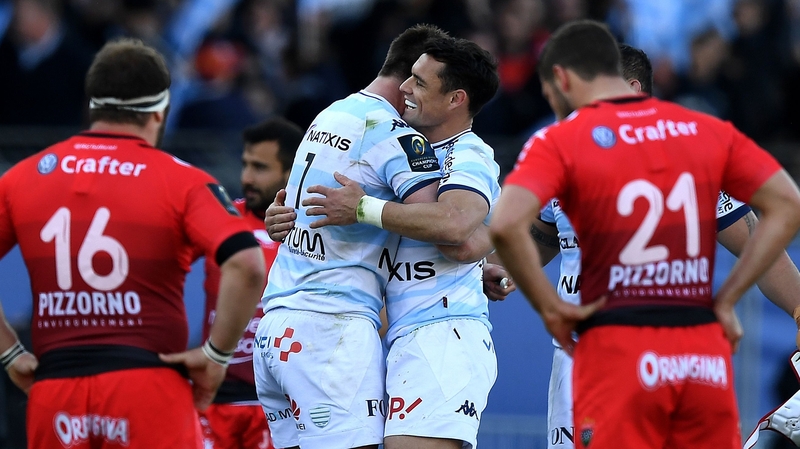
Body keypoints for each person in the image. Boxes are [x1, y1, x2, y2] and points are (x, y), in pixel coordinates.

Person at [489, 19, 800, 449]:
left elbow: (506, 224)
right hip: (692, 356)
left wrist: (549, 308)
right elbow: (784, 206)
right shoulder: (699, 136)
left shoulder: (563, 142)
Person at [0, 38, 267, 448]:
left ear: (91, 107)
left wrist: (10, 353)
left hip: (55, 390)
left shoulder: (24, 175)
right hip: (148, 386)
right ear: (160, 111)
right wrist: (215, 357)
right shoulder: (183, 180)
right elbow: (247, 264)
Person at [296, 36, 503, 449]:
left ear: (455, 99)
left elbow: (455, 230)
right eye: (409, 75)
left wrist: (362, 208)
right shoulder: (406, 148)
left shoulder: (468, 155)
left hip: (445, 336)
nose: (404, 87)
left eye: (420, 83)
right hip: (401, 336)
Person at [252, 24, 448, 449]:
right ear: (412, 81)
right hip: (330, 332)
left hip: (275, 328)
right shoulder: (394, 134)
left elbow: (290, 212)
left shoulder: (331, 113)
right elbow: (439, 224)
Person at [198, 118, 302, 449]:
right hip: (216, 397)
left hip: (285, 404)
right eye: (245, 165)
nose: (245, 178)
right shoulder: (221, 222)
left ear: (291, 173)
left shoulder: (316, 235)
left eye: (259, 168)